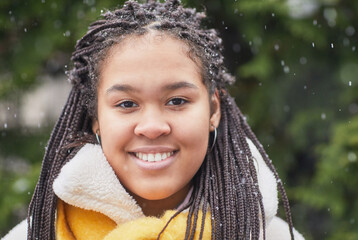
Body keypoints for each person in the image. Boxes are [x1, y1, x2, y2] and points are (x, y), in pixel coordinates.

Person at [3, 0, 305, 239]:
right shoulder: (37, 235)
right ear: (96, 117)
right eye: (126, 103)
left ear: (213, 110)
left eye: (176, 101)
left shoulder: (269, 236)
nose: (152, 127)